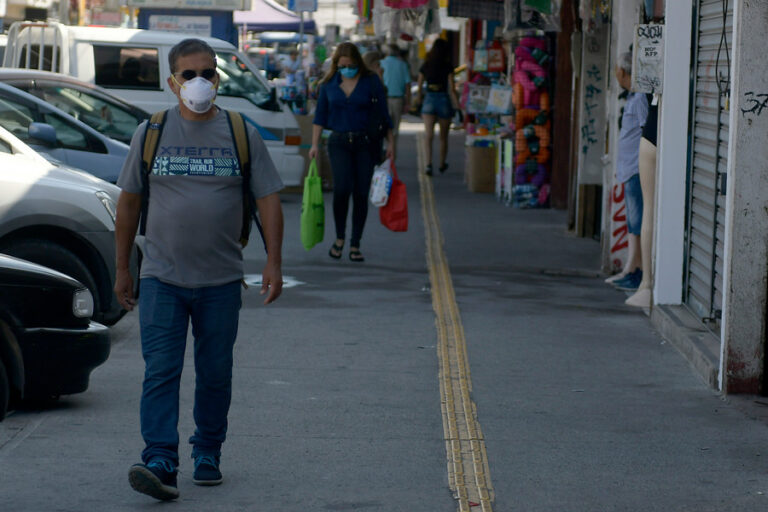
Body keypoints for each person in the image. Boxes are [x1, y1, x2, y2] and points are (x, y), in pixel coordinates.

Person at [113, 38, 284, 501]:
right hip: (161, 278)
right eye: (189, 75)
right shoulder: (151, 131)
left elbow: (268, 199)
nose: (200, 82)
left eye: (208, 72)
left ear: (219, 78)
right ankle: (160, 460)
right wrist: (122, 269)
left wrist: (272, 261)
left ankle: (208, 451)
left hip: (221, 281)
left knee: (214, 372)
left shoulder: (239, 131)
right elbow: (128, 204)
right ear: (172, 83)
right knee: (161, 371)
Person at [309, 42, 394, 263]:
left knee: (361, 193)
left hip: (366, 142)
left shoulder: (371, 81)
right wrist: (314, 144)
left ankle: (355, 243)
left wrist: (390, 143)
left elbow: (384, 114)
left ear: (358, 63)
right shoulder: (329, 84)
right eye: (342, 65)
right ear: (336, 64)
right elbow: (320, 117)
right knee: (342, 189)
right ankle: (339, 238)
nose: (347, 68)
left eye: (351, 65)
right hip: (338, 142)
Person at [607, 51, 649, 292]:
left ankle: (635, 271)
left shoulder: (640, 98)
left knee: (637, 222)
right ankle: (631, 269)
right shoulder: (634, 97)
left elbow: (646, 134)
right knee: (634, 223)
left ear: (622, 72)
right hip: (629, 169)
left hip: (636, 168)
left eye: (617, 71)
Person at [416, 38, 458, 176]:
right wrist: (457, 106)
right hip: (443, 100)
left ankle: (428, 164)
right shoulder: (448, 66)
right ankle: (441, 163)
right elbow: (452, 89)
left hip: (429, 100)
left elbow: (420, 85)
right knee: (443, 136)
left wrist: (418, 100)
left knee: (428, 135)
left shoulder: (426, 65)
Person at [379, 43, 412, 157]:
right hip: (398, 99)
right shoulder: (403, 65)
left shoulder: (381, 63)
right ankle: (393, 155)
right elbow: (408, 84)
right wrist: (408, 102)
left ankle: (383, 152)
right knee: (394, 129)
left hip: (384, 100)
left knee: (382, 127)